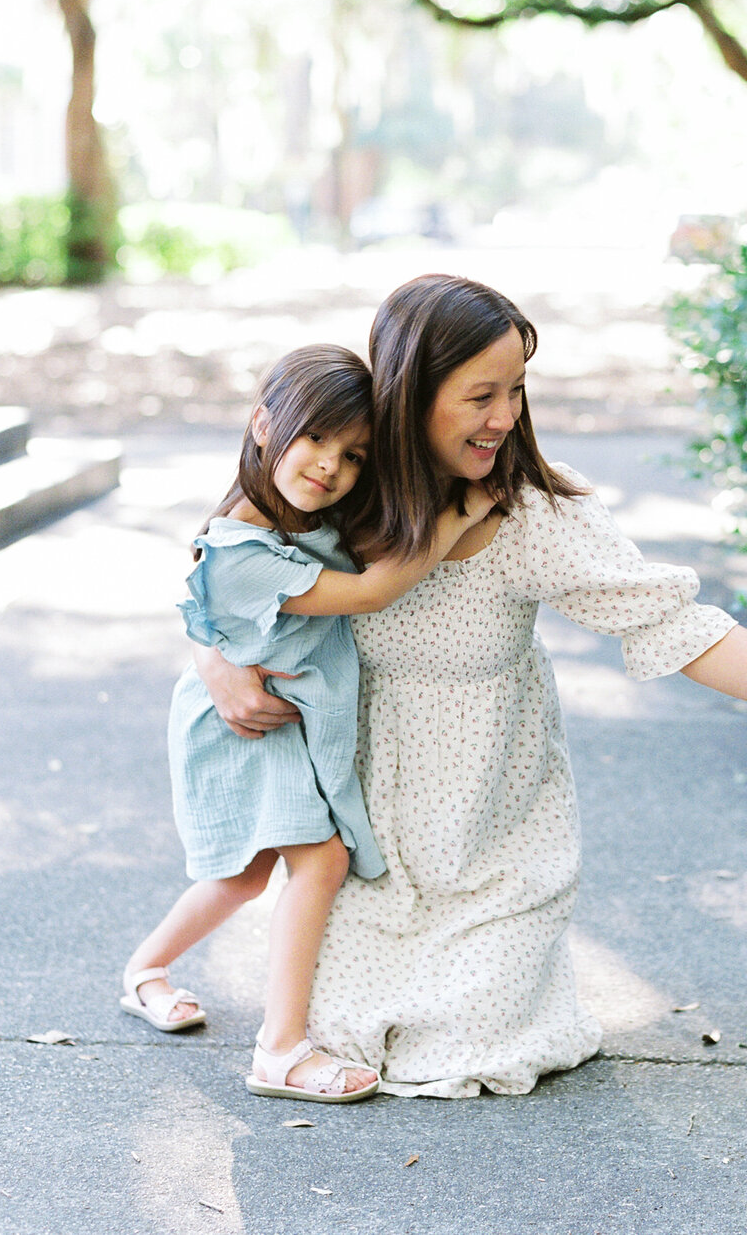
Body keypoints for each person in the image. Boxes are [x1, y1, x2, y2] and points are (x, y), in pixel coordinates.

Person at [196, 276, 747, 1098]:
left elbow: (674, 624)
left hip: (492, 842)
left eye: (515, 390)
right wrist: (214, 661)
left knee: (470, 1050)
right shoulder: (341, 478)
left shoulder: (529, 509)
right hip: (362, 843)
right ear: (409, 395)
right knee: (350, 1036)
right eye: (480, 395)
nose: (504, 418)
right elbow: (221, 560)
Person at [122, 344, 492, 1102]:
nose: (330, 465)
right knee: (314, 861)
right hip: (242, 724)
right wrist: (459, 517)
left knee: (245, 875)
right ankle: (280, 1049)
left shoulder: (299, 515)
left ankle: (143, 970)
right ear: (264, 424)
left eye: (353, 454)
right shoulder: (242, 546)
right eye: (314, 438)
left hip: (273, 711)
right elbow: (365, 594)